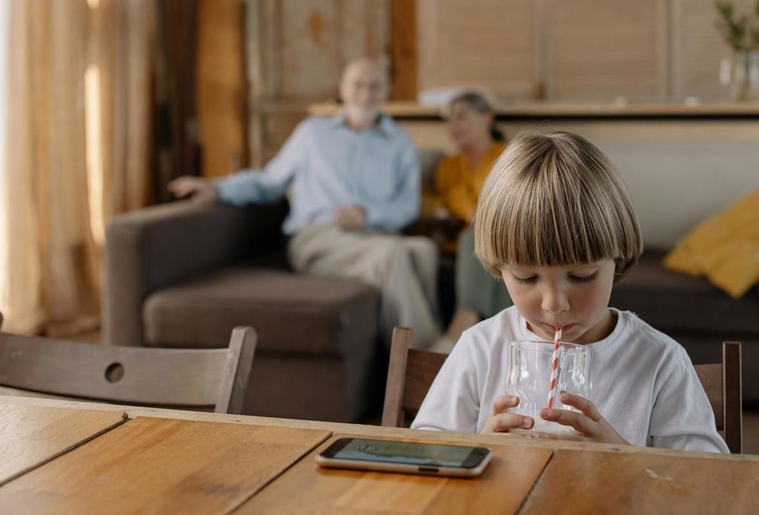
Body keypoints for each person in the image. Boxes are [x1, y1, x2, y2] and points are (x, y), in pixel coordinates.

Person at [412, 130, 729, 453]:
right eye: (525, 277)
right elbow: (425, 453)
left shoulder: (659, 362)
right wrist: (477, 449)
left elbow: (710, 483)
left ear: (617, 261)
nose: (554, 304)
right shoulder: (480, 350)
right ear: (499, 268)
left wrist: (625, 459)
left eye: (580, 276)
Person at [167, 57, 441, 349]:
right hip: (318, 239)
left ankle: (425, 353)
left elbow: (407, 205)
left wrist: (368, 213)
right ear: (343, 89)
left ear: (386, 91)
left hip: (373, 235)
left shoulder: (398, 141)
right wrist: (217, 188)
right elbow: (269, 181)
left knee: (423, 250)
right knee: (391, 256)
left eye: (374, 86)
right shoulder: (313, 133)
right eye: (357, 85)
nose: (365, 94)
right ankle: (427, 361)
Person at [430, 91, 512, 353]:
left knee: (479, 234)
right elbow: (435, 205)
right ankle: (504, 341)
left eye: (462, 117)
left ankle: (463, 322)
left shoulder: (510, 158)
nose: (453, 126)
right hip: (460, 247)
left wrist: (488, 214)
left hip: (503, 239)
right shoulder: (447, 167)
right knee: (471, 237)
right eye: (450, 120)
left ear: (487, 118)